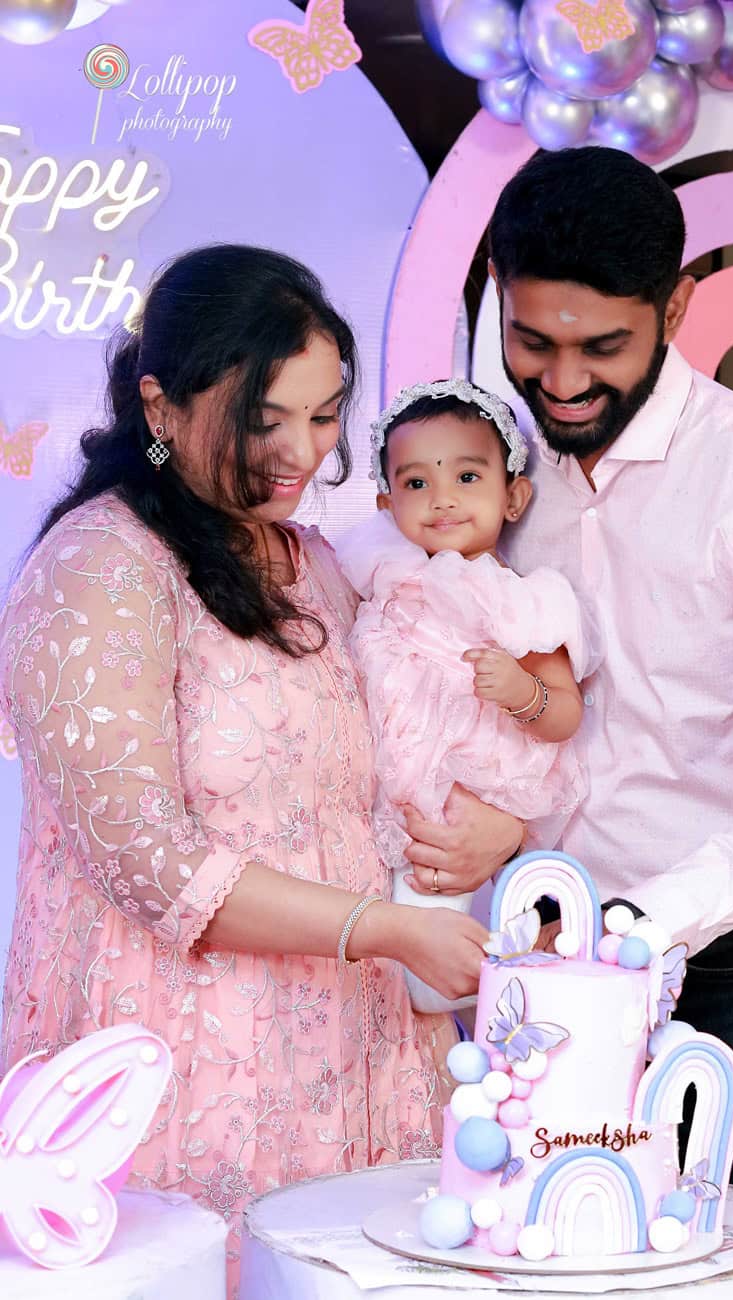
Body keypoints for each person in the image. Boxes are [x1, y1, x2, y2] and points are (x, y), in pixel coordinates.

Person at [0, 244, 496, 1287]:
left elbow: (387, 758)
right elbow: (151, 865)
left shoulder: (318, 562)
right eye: (265, 418)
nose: (301, 451)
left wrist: (495, 825)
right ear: (162, 405)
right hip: (183, 1071)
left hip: (355, 1056)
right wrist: (381, 929)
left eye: (323, 417)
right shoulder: (100, 566)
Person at [479, 146, 733, 1211]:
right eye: (530, 341)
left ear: (677, 304)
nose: (560, 383)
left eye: (600, 347)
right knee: (533, 1256)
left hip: (726, 956)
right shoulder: (503, 477)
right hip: (537, 948)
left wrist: (641, 928)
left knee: (721, 1267)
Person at [336, 378, 598, 1032]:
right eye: (417, 484)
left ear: (513, 496)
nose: (442, 499)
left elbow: (566, 714)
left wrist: (523, 692)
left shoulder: (522, 600)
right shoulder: (377, 574)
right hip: (375, 790)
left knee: (437, 965)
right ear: (385, 501)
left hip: (466, 794)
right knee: (370, 968)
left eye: (468, 477)